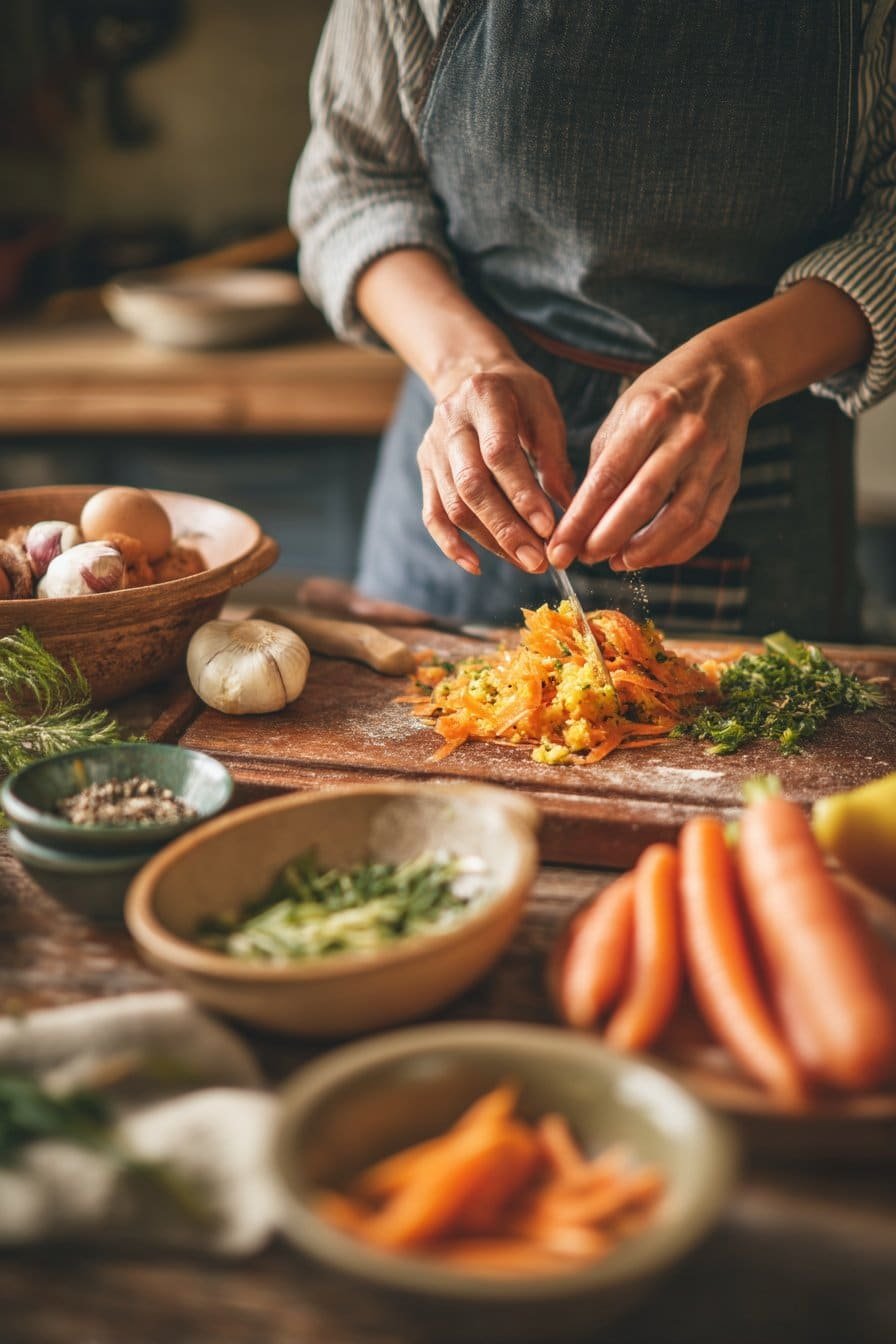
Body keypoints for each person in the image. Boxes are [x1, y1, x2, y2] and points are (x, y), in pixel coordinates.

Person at [291, 1, 896, 638]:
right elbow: (353, 184)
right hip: (476, 431)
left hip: (767, 445)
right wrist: (466, 363)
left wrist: (738, 368)